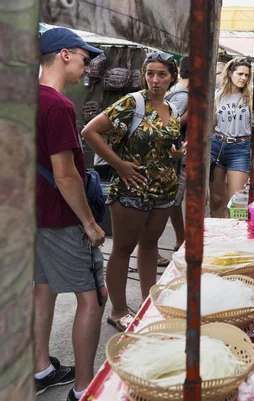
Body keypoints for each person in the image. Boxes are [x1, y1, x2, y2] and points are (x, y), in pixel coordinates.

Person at [82, 51, 183, 332]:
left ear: (172, 77)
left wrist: (175, 154)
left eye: (162, 74)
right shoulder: (133, 102)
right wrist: (120, 165)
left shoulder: (172, 109)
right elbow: (90, 132)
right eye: (150, 73)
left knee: (150, 247)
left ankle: (149, 303)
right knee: (123, 249)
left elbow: (165, 146)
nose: (155, 80)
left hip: (163, 190)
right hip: (131, 189)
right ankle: (118, 310)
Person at [35, 27, 106, 401]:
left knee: (42, 289)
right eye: (84, 58)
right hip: (62, 218)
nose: (87, 67)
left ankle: (40, 368)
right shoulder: (58, 105)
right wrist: (90, 223)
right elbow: (65, 174)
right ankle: (84, 390)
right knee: (92, 299)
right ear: (64, 54)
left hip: (30, 216)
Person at [210, 57, 254, 217]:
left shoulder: (251, 99)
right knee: (216, 199)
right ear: (230, 73)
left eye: (246, 75)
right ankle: (218, 236)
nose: (243, 78)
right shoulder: (218, 96)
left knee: (237, 202)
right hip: (217, 146)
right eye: (240, 74)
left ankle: (235, 238)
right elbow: (212, 124)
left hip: (240, 149)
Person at [165, 56, 190, 252]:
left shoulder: (178, 92)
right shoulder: (183, 96)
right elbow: (171, 125)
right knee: (172, 201)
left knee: (174, 201)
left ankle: (181, 239)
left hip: (178, 155)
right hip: (178, 156)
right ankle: (181, 239)